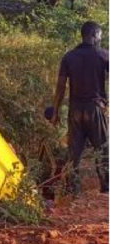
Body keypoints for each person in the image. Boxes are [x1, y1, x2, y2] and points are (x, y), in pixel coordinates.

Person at [50, 21, 109, 195]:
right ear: (93, 35)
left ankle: (73, 188)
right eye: (100, 34)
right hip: (95, 109)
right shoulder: (103, 55)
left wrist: (55, 111)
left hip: (75, 110)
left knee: (74, 152)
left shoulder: (69, 57)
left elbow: (60, 87)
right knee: (103, 149)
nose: (100, 38)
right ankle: (106, 187)